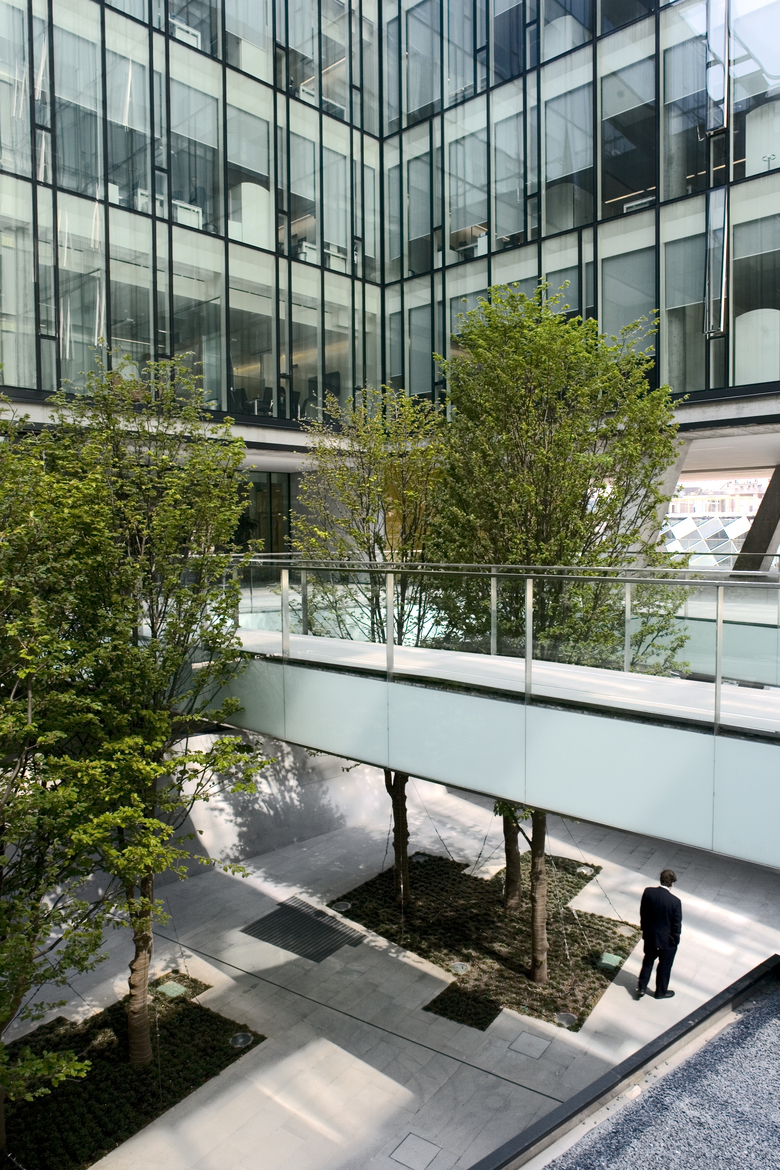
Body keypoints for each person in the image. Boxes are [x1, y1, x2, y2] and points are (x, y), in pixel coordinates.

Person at [637, 869, 682, 1000]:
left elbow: (643, 913)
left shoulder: (648, 892)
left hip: (651, 936)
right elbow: (676, 924)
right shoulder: (675, 902)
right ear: (672, 883)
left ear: (660, 879)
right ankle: (660, 992)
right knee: (664, 966)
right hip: (667, 941)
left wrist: (644, 929)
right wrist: (676, 940)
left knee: (648, 960)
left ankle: (641, 987)